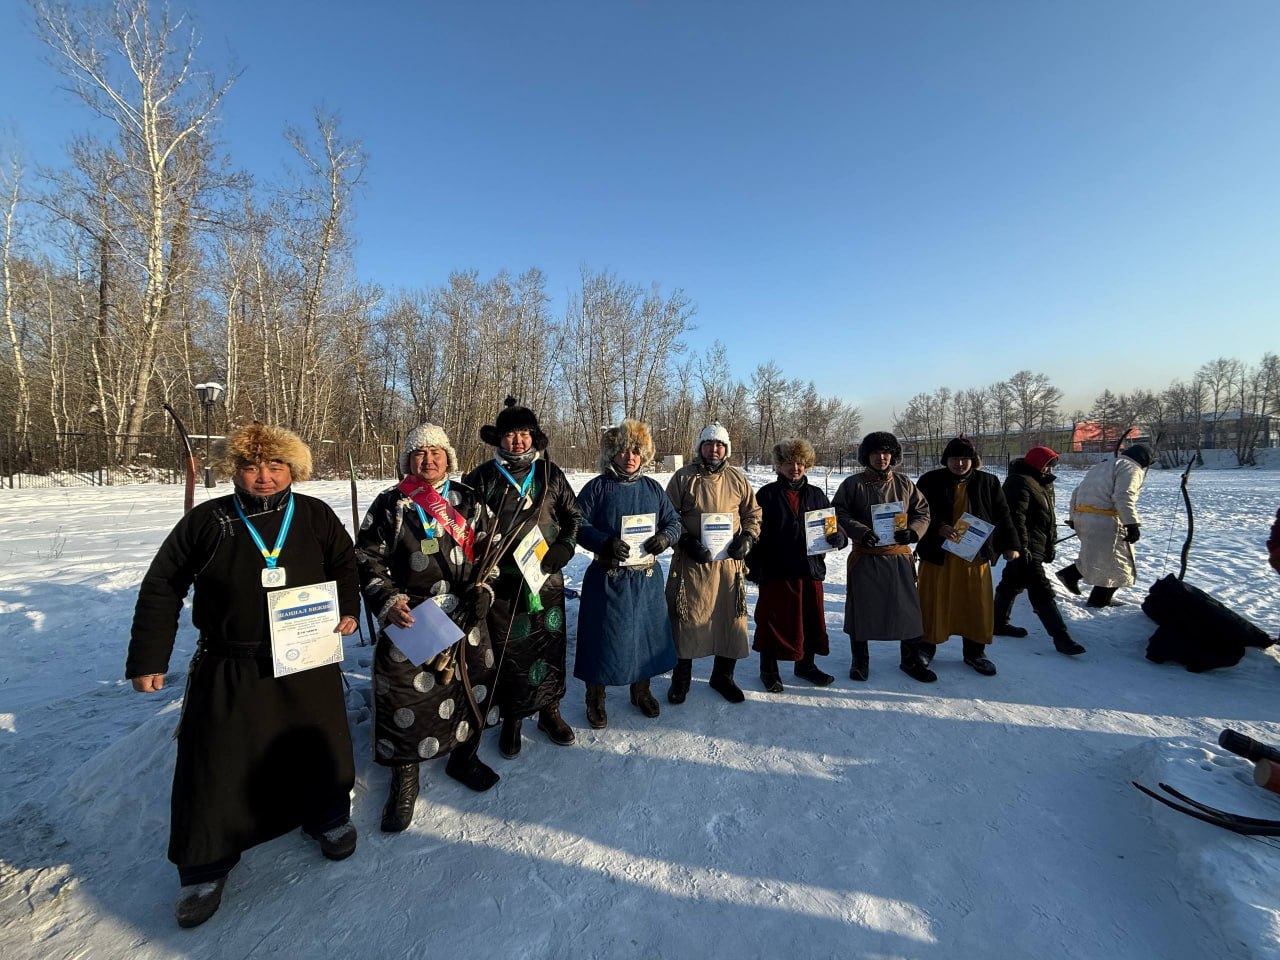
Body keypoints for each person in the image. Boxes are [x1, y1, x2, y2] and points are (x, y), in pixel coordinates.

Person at [127, 423, 361, 928]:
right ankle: (205, 864)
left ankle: (328, 817)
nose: (263, 476)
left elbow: (345, 562)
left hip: (306, 655)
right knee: (216, 762)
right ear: (234, 470)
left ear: (293, 470)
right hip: (231, 662)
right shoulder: (209, 521)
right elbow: (164, 584)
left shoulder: (315, 515)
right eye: (252, 466)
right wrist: (149, 656)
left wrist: (347, 607)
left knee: (317, 743)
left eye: (276, 466)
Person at [355, 423, 500, 834]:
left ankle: (464, 756)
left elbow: (493, 548)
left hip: (464, 611)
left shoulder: (469, 500)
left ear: (448, 458)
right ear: (408, 461)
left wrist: (485, 590)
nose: (429, 460)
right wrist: (387, 600)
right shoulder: (391, 503)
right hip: (413, 615)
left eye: (436, 453)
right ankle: (405, 780)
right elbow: (367, 558)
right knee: (405, 695)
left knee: (471, 687)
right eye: (420, 454)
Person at [464, 397, 582, 758]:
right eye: (510, 434)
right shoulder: (481, 478)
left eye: (524, 434)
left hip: (545, 579)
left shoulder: (551, 474)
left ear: (534, 438)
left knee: (549, 644)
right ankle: (513, 717)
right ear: (498, 438)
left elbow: (574, 518)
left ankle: (550, 711)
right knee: (508, 650)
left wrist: (566, 547)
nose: (517, 441)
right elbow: (465, 532)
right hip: (502, 584)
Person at [573, 419, 682, 727]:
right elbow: (578, 525)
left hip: (645, 578)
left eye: (636, 451)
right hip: (608, 576)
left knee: (644, 636)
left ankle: (641, 689)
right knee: (602, 639)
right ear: (612, 454)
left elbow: (674, 523)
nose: (630, 457)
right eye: (622, 450)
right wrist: (604, 542)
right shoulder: (597, 488)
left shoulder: (653, 489)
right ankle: (595, 696)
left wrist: (665, 538)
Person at [665, 422, 763, 704]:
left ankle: (723, 676)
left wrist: (748, 539)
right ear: (700, 447)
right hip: (692, 563)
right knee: (687, 620)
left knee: (727, 621)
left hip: (727, 565)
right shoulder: (684, 478)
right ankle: (681, 680)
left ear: (726, 449)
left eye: (720, 444)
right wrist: (685, 541)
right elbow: (668, 515)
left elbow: (752, 513)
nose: (714, 449)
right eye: (709, 444)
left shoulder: (736, 479)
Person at [746, 437, 846, 692]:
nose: (795, 468)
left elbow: (833, 527)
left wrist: (839, 538)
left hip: (809, 570)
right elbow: (755, 532)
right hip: (776, 571)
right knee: (772, 621)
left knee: (810, 620)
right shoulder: (767, 494)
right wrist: (754, 565)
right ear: (779, 465)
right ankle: (768, 669)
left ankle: (806, 665)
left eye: (800, 463)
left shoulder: (816, 495)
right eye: (789, 462)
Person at [832, 431, 933, 682]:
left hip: (898, 557)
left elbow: (923, 513)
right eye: (876, 453)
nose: (882, 458)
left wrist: (913, 533)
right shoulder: (852, 485)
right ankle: (860, 661)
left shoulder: (905, 483)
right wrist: (861, 531)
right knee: (862, 610)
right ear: (866, 456)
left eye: (886, 452)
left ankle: (910, 659)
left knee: (907, 610)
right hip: (866, 557)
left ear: (894, 455)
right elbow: (838, 513)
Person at [915, 436, 1020, 677]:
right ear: (946, 460)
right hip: (938, 554)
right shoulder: (930, 481)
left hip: (973, 557)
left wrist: (1011, 544)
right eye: (954, 458)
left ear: (974, 461)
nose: (959, 464)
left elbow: (1003, 515)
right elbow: (916, 512)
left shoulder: (988, 482)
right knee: (932, 601)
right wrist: (937, 527)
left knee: (974, 604)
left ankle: (975, 652)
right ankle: (925, 648)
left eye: (965, 459)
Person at [993, 445, 1086, 655]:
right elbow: (1015, 517)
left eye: (1051, 466)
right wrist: (1021, 546)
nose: (1050, 470)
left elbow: (1044, 518)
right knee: (1041, 589)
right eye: (1047, 465)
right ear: (1036, 464)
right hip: (1025, 547)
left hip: (1034, 544)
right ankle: (1061, 638)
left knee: (1011, 583)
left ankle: (997, 623)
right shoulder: (1020, 482)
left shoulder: (1039, 483)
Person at [1056, 444, 1153, 607]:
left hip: (1085, 518)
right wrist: (1132, 524)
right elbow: (1124, 496)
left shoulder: (1101, 466)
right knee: (1118, 562)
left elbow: (1076, 492)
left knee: (1097, 556)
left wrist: (1073, 518)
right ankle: (1099, 600)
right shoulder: (1130, 468)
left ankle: (1070, 575)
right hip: (1105, 520)